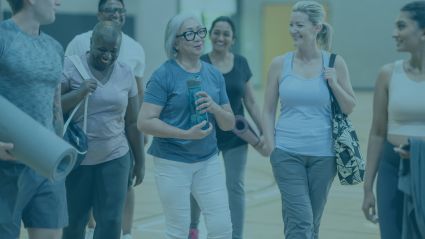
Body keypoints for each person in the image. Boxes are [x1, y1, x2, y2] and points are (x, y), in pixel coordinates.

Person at [262, 1, 356, 238]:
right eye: (291, 24)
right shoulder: (278, 64)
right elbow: (268, 110)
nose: (293, 30)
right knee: (301, 222)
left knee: (310, 223)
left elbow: (349, 107)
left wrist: (333, 83)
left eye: (299, 25)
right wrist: (273, 150)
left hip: (324, 156)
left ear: (317, 28)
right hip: (287, 153)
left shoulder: (335, 63)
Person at [137, 13, 235, 239]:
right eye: (190, 34)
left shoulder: (213, 74)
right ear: (176, 42)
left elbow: (229, 123)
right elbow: (144, 121)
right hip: (172, 162)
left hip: (209, 160)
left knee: (222, 226)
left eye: (200, 31)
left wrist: (215, 108)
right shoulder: (163, 75)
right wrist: (184, 134)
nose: (198, 38)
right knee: (178, 230)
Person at [65, 1, 146, 238]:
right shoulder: (71, 66)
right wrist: (78, 93)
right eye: (102, 49)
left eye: (114, 51)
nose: (107, 55)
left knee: (111, 222)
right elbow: (53, 106)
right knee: (73, 222)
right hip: (78, 158)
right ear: (91, 43)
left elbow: (132, 122)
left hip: (115, 157)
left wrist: (139, 161)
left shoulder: (125, 72)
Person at [188, 16, 264, 239]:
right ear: (210, 35)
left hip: (235, 133)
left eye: (226, 34)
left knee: (235, 186)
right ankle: (193, 227)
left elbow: (250, 102)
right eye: (217, 32)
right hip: (205, 133)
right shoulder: (199, 62)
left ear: (233, 39)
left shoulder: (241, 63)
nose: (221, 37)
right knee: (197, 184)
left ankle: (236, 235)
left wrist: (264, 132)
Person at [0, 0, 67, 239]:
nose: (59, 2)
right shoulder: (3, 38)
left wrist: (60, 151)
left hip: (46, 166)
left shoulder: (54, 47)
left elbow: (55, 106)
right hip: (5, 168)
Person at [362, 2, 425, 239]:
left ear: (423, 32)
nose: (394, 33)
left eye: (401, 26)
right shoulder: (388, 74)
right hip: (392, 169)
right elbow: (377, 132)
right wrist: (368, 187)